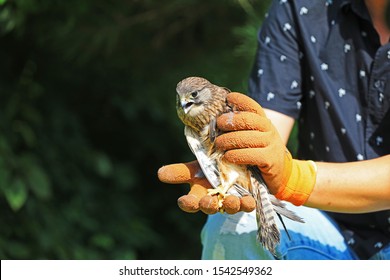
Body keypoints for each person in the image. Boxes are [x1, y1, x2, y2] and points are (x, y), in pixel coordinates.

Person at [158, 0, 390, 259]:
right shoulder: (300, 8)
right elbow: (263, 133)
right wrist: (234, 171)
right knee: (235, 224)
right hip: (326, 227)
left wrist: (292, 177)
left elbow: (284, 172)